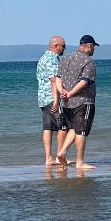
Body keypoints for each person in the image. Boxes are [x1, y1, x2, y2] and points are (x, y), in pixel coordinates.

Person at [56, 34, 99, 170]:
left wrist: (62, 91)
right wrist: (70, 93)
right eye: (93, 47)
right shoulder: (88, 62)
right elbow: (84, 82)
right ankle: (80, 162)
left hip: (66, 103)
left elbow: (58, 78)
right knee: (81, 132)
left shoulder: (65, 59)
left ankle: (62, 152)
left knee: (74, 128)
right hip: (83, 101)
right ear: (89, 46)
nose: (93, 50)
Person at [36, 36, 67, 166]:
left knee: (47, 128)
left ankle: (48, 157)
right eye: (63, 46)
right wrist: (56, 99)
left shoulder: (43, 58)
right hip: (51, 97)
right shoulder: (52, 59)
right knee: (63, 127)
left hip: (43, 98)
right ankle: (60, 156)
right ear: (55, 46)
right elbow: (54, 80)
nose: (64, 48)